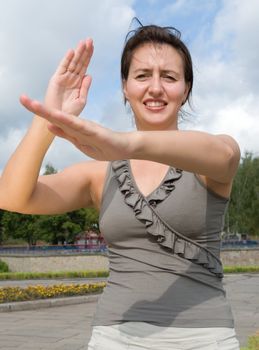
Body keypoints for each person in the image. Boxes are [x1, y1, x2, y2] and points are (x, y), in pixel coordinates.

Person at [0, 23, 241, 350]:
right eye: (142, 76)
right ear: (125, 87)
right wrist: (49, 117)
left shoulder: (205, 155)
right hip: (116, 337)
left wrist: (126, 143)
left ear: (186, 89)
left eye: (169, 77)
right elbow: (13, 197)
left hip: (205, 336)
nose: (155, 87)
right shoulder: (100, 174)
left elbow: (226, 156)